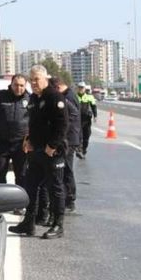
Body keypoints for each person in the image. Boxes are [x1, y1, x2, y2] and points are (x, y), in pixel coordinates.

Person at [8, 65, 68, 239]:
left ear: (45, 79)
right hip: (37, 151)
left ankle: (58, 225)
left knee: (55, 188)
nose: (33, 83)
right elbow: (33, 124)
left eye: (37, 79)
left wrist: (53, 145)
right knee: (30, 186)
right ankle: (28, 223)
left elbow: (62, 125)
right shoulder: (34, 98)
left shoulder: (54, 97)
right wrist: (28, 140)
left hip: (52, 151)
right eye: (31, 79)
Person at [0, 73, 30, 184]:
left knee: (22, 176)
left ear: (25, 85)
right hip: (3, 143)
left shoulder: (31, 99)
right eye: (16, 85)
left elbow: (36, 122)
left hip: (22, 144)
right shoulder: (0, 97)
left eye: (22, 85)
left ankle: (21, 200)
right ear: (11, 84)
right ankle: (1, 199)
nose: (19, 88)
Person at [53, 77, 81, 214]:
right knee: (63, 170)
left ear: (57, 87)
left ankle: (70, 200)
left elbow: (72, 117)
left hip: (69, 139)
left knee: (67, 170)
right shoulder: (67, 95)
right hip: (67, 138)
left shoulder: (68, 98)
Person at [77, 83, 97, 158]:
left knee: (87, 135)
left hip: (86, 120)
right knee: (79, 135)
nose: (81, 89)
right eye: (79, 87)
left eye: (82, 88)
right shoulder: (75, 97)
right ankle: (79, 150)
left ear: (85, 88)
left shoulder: (89, 97)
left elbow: (94, 106)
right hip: (78, 120)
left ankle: (84, 149)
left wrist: (95, 116)